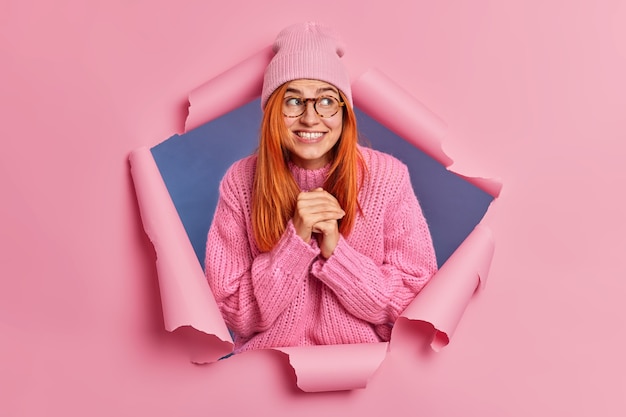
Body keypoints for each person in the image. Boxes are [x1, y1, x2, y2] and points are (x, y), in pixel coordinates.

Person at [204, 22, 438, 353]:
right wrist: (294, 242)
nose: (311, 118)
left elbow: (414, 305)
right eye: (293, 101)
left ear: (344, 111)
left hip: (362, 373)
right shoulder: (242, 181)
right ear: (273, 111)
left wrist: (337, 253)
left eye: (326, 101)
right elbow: (233, 313)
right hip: (266, 373)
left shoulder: (387, 177)